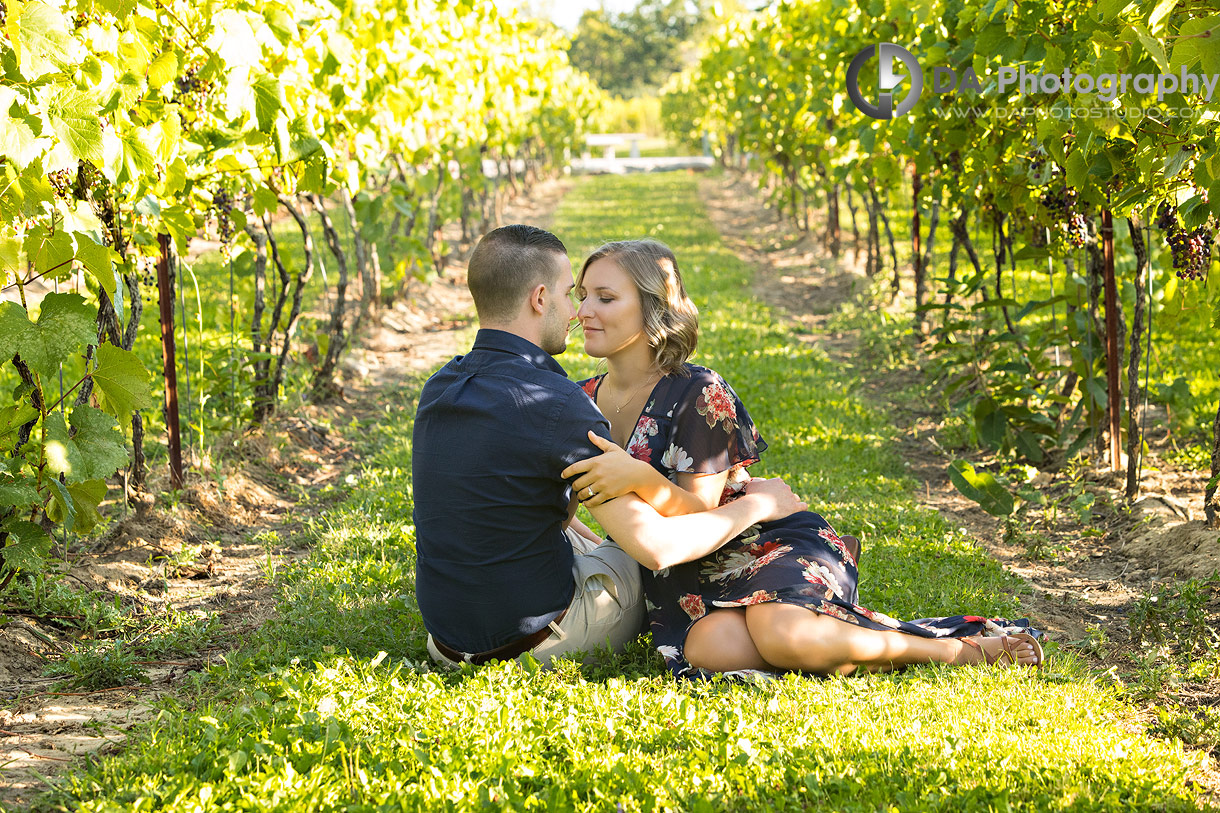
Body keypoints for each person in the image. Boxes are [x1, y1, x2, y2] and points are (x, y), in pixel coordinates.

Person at [561, 239, 1045, 679]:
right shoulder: (577, 400)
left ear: (653, 307)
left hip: (756, 542)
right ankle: (827, 627)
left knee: (782, 635)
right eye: (582, 295)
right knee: (710, 650)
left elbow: (699, 512)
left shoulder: (698, 391)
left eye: (605, 298)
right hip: (682, 581)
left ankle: (958, 650)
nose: (585, 310)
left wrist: (639, 477)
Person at [411, 225, 807, 668]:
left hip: (445, 643)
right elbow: (657, 548)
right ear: (540, 299)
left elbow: (542, 513)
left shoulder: (439, 386)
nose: (577, 312)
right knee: (643, 550)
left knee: (570, 532)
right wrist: (758, 505)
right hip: (541, 643)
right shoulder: (560, 402)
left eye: (597, 298)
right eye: (570, 295)